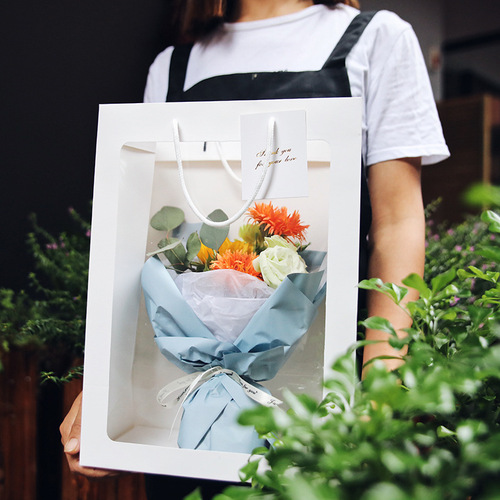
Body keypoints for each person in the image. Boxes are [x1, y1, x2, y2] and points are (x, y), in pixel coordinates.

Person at [60, 0, 450, 497]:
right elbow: (138, 240)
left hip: (325, 400)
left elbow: (396, 228)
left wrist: (380, 390)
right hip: (189, 410)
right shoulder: (173, 66)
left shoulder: (377, 40)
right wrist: (102, 396)